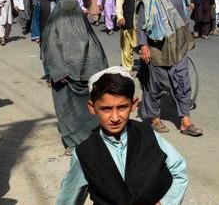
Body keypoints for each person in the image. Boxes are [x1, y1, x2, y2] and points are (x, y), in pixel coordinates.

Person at [56, 68, 188, 204]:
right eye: (106, 109)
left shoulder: (147, 134)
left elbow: (178, 169)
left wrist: (165, 203)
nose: (115, 117)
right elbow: (69, 198)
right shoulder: (85, 153)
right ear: (92, 107)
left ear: (133, 105)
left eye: (122, 107)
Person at [37, 0, 109, 154]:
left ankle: (90, 138)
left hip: (86, 74)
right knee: (66, 108)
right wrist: (58, 71)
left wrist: (98, 70)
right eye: (65, 2)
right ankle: (71, 141)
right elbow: (49, 49)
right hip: (64, 77)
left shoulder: (82, 21)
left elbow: (95, 47)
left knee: (89, 108)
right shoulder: (52, 24)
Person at [136, 0, 203, 137]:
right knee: (154, 86)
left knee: (183, 83)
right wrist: (143, 46)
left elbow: (182, 18)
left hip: (178, 46)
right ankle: (154, 118)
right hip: (157, 48)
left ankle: (185, 121)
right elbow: (142, 24)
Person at [116, 0, 145, 72]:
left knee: (142, 46)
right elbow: (118, 6)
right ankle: (127, 68)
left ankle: (145, 68)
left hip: (141, 25)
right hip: (128, 24)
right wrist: (120, 18)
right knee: (127, 48)